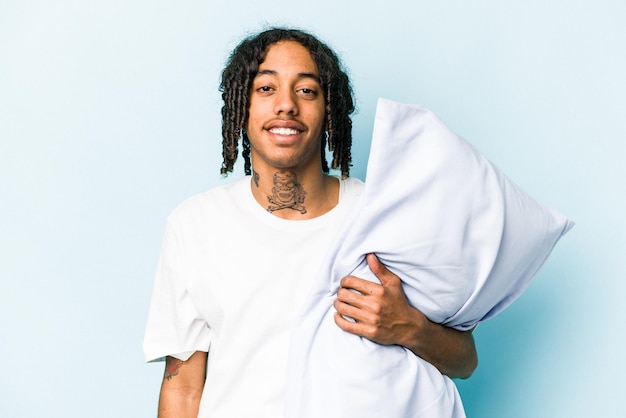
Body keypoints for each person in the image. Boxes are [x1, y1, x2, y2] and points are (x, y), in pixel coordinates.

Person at [144, 27, 477, 417]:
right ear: (241, 107)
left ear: (329, 110)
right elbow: (183, 389)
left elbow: (464, 360)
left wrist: (406, 327)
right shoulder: (195, 225)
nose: (286, 105)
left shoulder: (384, 215)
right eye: (266, 88)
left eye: (306, 91)